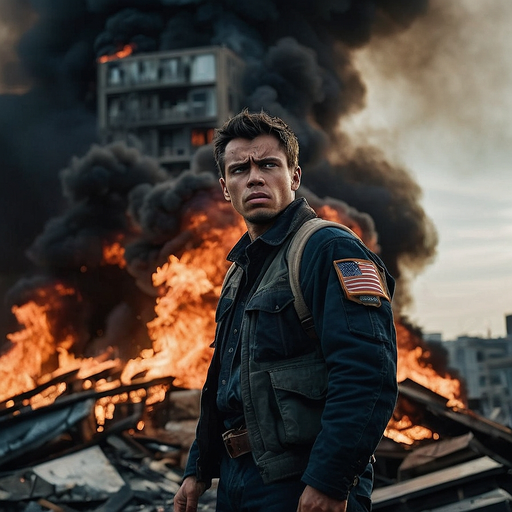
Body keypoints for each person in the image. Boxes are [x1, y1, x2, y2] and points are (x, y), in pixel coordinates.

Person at [174, 110, 397, 512]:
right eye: (240, 169)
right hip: (240, 483)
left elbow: (368, 372)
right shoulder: (239, 272)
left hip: (300, 482)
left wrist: (329, 481)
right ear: (226, 188)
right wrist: (198, 468)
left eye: (268, 164)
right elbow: (225, 383)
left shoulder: (328, 249)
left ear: (293, 177)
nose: (254, 177)